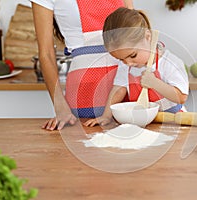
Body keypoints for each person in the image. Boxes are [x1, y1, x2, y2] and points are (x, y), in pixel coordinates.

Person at [30, 0, 134, 130]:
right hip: (84, 91)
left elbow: (135, 32)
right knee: (85, 146)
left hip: (126, 84)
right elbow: (46, 54)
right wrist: (60, 107)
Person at [83, 7, 189, 127]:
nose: (127, 63)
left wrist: (154, 83)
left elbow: (181, 97)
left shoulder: (170, 63)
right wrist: (106, 116)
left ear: (148, 37)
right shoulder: (126, 65)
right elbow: (118, 89)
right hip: (146, 125)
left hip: (174, 123)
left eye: (132, 55)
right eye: (121, 59)